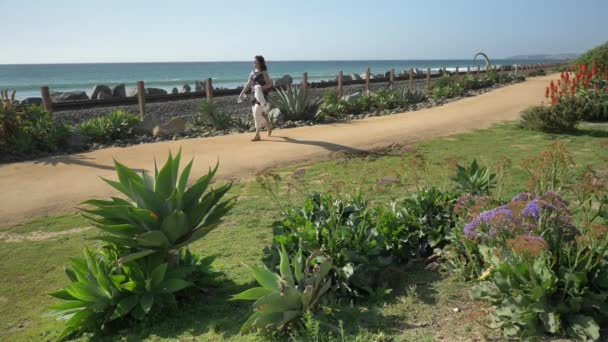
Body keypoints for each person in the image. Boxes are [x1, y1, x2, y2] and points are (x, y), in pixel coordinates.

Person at [238, 55, 273, 141]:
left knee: (257, 112)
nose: (253, 63)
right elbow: (248, 84)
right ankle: (267, 124)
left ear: (260, 62)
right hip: (253, 95)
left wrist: (260, 87)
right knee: (256, 113)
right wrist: (242, 93)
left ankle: (257, 134)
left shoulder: (263, 72)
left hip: (262, 95)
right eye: (253, 61)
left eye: (255, 61)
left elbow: (269, 84)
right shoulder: (252, 72)